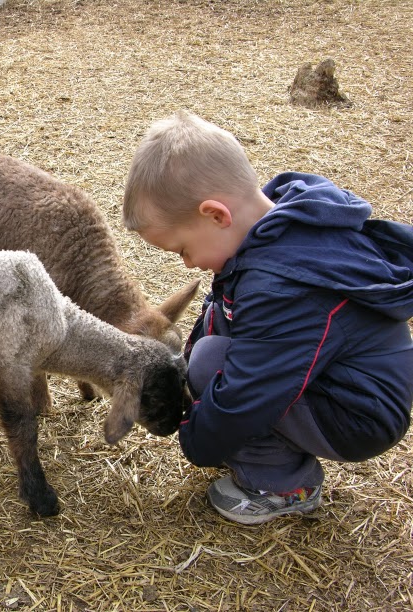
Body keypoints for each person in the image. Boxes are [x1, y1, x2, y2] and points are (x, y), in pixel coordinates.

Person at [122, 110, 413, 525]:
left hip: (360, 415)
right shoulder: (276, 230)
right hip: (343, 385)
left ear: (216, 215)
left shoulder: (283, 285)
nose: (187, 265)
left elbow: (249, 395)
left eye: (182, 249)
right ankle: (271, 447)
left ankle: (284, 484)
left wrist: (194, 436)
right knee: (208, 360)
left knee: (211, 366)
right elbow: (227, 315)